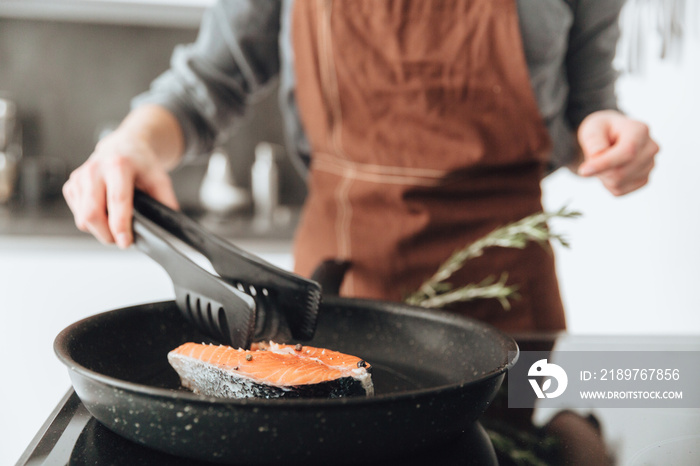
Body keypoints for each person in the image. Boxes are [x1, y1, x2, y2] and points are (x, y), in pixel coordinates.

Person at [63, 0, 658, 334]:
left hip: (510, 303)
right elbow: (206, 84)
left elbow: (589, 102)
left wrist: (606, 137)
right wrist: (134, 145)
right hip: (337, 301)